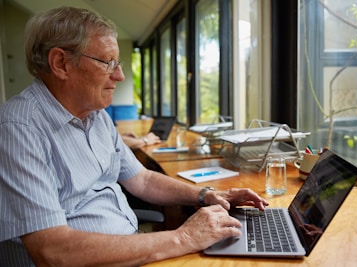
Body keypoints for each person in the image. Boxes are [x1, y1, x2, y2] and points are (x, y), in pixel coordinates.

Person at [0, 6, 268, 266]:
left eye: (118, 63)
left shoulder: (97, 116)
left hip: (127, 248)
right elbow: (52, 251)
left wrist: (206, 194)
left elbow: (142, 179)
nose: (119, 75)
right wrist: (182, 237)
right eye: (108, 63)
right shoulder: (18, 129)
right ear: (60, 64)